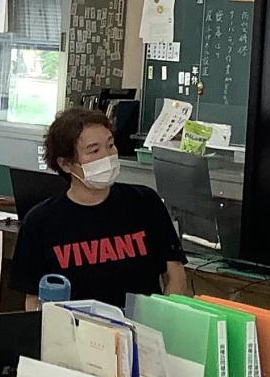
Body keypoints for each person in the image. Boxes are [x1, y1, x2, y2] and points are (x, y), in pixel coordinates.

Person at [10, 108, 188, 310]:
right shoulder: (41, 222)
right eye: (94, 151)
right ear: (66, 164)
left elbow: (175, 273)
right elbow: (33, 299)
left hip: (142, 325)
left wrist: (164, 318)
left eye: (110, 145)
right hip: (76, 327)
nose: (107, 156)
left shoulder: (145, 203)